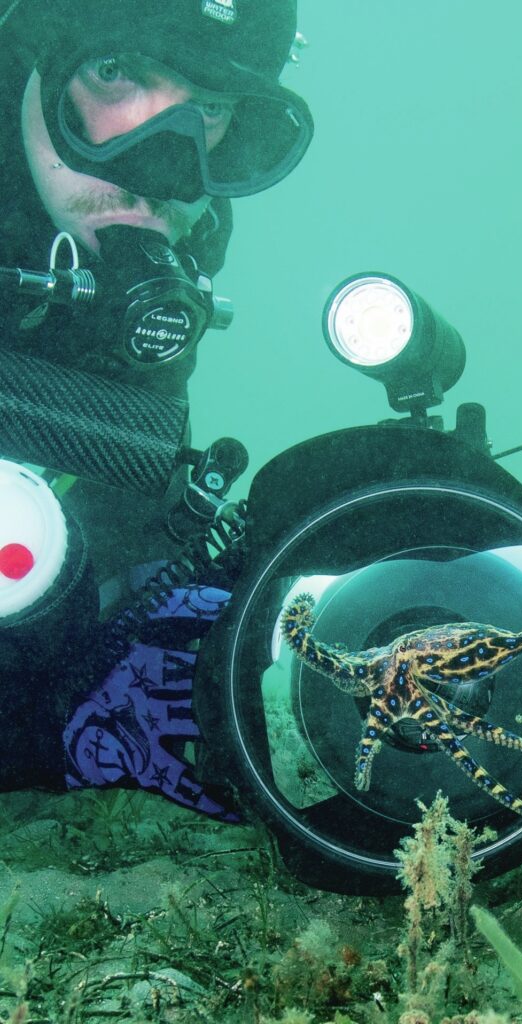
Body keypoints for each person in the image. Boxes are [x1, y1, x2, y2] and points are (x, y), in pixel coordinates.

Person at [0, 0, 312, 813]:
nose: (160, 168)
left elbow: (123, 469)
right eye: (115, 74)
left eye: (206, 109)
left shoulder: (184, 220)